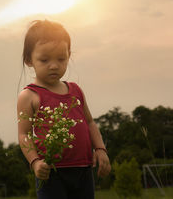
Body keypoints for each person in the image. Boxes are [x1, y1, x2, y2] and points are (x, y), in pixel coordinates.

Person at [17, 20, 111, 199]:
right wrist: (35, 162)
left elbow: (89, 122)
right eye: (44, 60)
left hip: (83, 169)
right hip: (51, 172)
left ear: (69, 55)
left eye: (61, 59)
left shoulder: (75, 90)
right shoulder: (29, 95)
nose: (54, 65)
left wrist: (100, 148)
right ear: (29, 60)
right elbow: (24, 134)